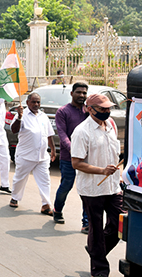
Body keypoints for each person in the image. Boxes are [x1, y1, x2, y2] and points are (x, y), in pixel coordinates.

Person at [71, 93, 122, 277]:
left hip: (113, 186)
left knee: (118, 225)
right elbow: (76, 163)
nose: (107, 111)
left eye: (108, 108)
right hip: (92, 189)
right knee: (96, 229)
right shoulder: (82, 131)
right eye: (102, 109)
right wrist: (102, 171)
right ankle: (100, 270)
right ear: (89, 109)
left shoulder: (111, 125)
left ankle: (94, 249)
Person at [9, 93, 56, 214]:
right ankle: (15, 197)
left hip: (42, 156)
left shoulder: (43, 116)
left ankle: (46, 205)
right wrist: (19, 117)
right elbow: (14, 130)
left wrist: (53, 149)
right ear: (27, 102)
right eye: (34, 102)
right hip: (26, 155)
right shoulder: (22, 115)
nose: (36, 104)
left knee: (45, 180)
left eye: (38, 102)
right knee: (20, 178)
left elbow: (49, 134)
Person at [53, 82, 90, 232]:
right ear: (72, 93)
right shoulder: (62, 112)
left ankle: (86, 222)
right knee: (66, 186)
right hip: (69, 158)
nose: (81, 95)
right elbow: (62, 135)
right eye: (79, 92)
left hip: (87, 159)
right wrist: (74, 151)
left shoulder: (88, 111)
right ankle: (57, 209)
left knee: (87, 189)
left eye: (84, 93)